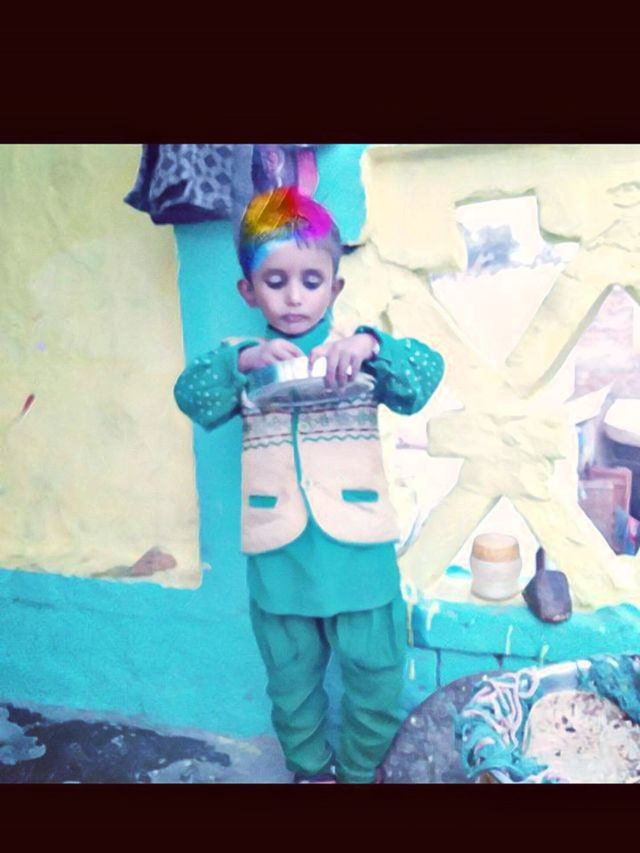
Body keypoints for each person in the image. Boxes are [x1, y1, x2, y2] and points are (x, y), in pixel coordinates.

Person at [173, 187, 445, 783]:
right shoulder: (242, 361)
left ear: (334, 287)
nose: (295, 297)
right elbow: (191, 397)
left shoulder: (357, 352)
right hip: (280, 556)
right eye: (275, 282)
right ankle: (309, 771)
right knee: (291, 681)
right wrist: (242, 361)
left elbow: (424, 379)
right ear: (248, 291)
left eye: (311, 280)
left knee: (376, 673)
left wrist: (371, 343)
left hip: (359, 553)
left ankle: (359, 772)